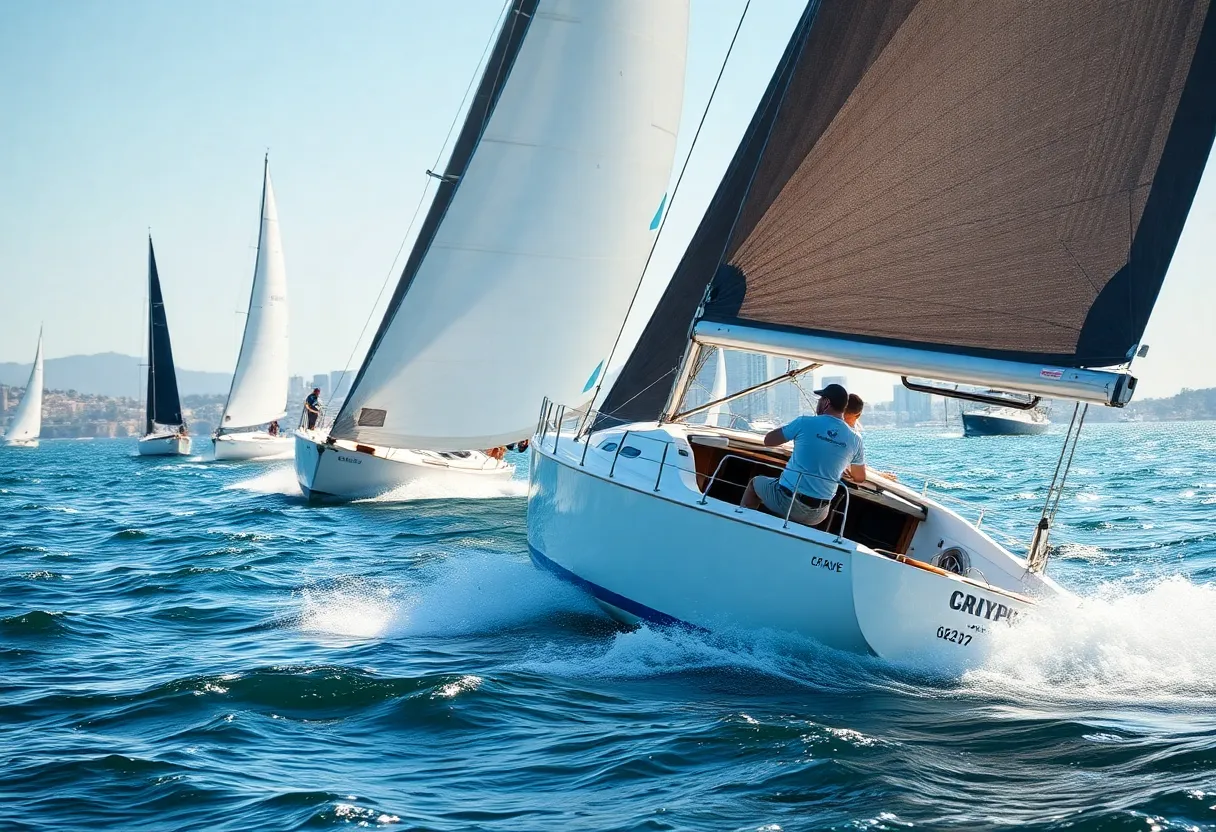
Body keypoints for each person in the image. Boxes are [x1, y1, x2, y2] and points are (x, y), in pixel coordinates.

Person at [741, 383, 866, 527]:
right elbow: (860, 477)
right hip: (819, 514)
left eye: (820, 399)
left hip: (788, 503)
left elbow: (768, 440)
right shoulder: (856, 439)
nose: (818, 402)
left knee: (755, 483)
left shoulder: (804, 422)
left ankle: (743, 525)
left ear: (826, 402)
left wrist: (794, 430)